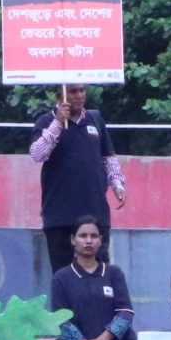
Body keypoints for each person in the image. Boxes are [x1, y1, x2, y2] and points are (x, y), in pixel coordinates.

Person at [29, 83, 125, 271]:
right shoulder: (45, 121)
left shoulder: (94, 119)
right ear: (60, 96)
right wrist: (57, 123)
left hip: (95, 212)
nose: (79, 95)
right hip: (60, 216)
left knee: (100, 273)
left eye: (82, 90)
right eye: (73, 91)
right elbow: (37, 154)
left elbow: (108, 156)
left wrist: (118, 184)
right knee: (63, 274)